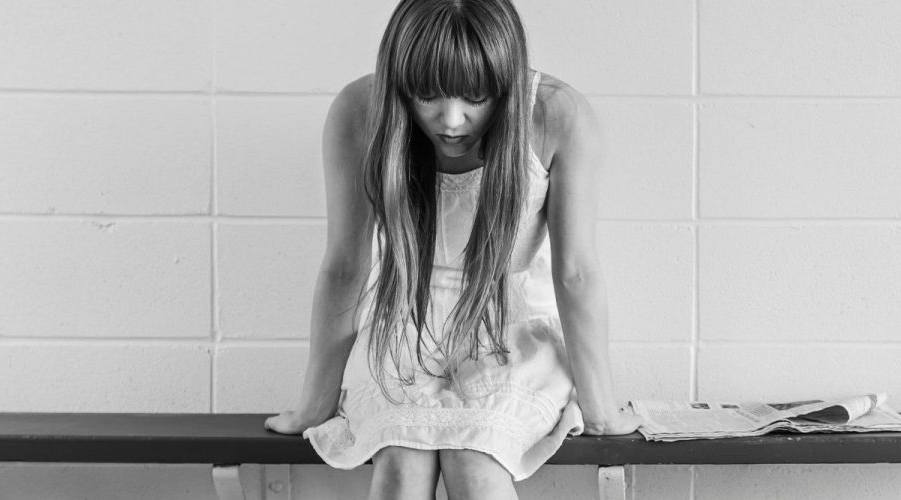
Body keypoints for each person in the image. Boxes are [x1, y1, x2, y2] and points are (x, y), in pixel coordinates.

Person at [260, 0, 642, 498]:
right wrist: (313, 406)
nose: (452, 120)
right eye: (428, 96)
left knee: (476, 463)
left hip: (512, 336)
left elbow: (576, 274)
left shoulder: (555, 114)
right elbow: (345, 267)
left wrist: (601, 411)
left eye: (476, 97)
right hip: (402, 335)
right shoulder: (360, 110)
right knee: (402, 464)